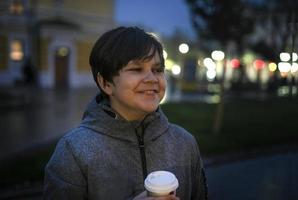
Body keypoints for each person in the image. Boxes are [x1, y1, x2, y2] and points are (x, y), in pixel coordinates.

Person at [44, 26, 208, 200]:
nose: (152, 79)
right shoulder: (74, 152)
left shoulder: (184, 143)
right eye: (136, 69)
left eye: (158, 70)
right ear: (106, 83)